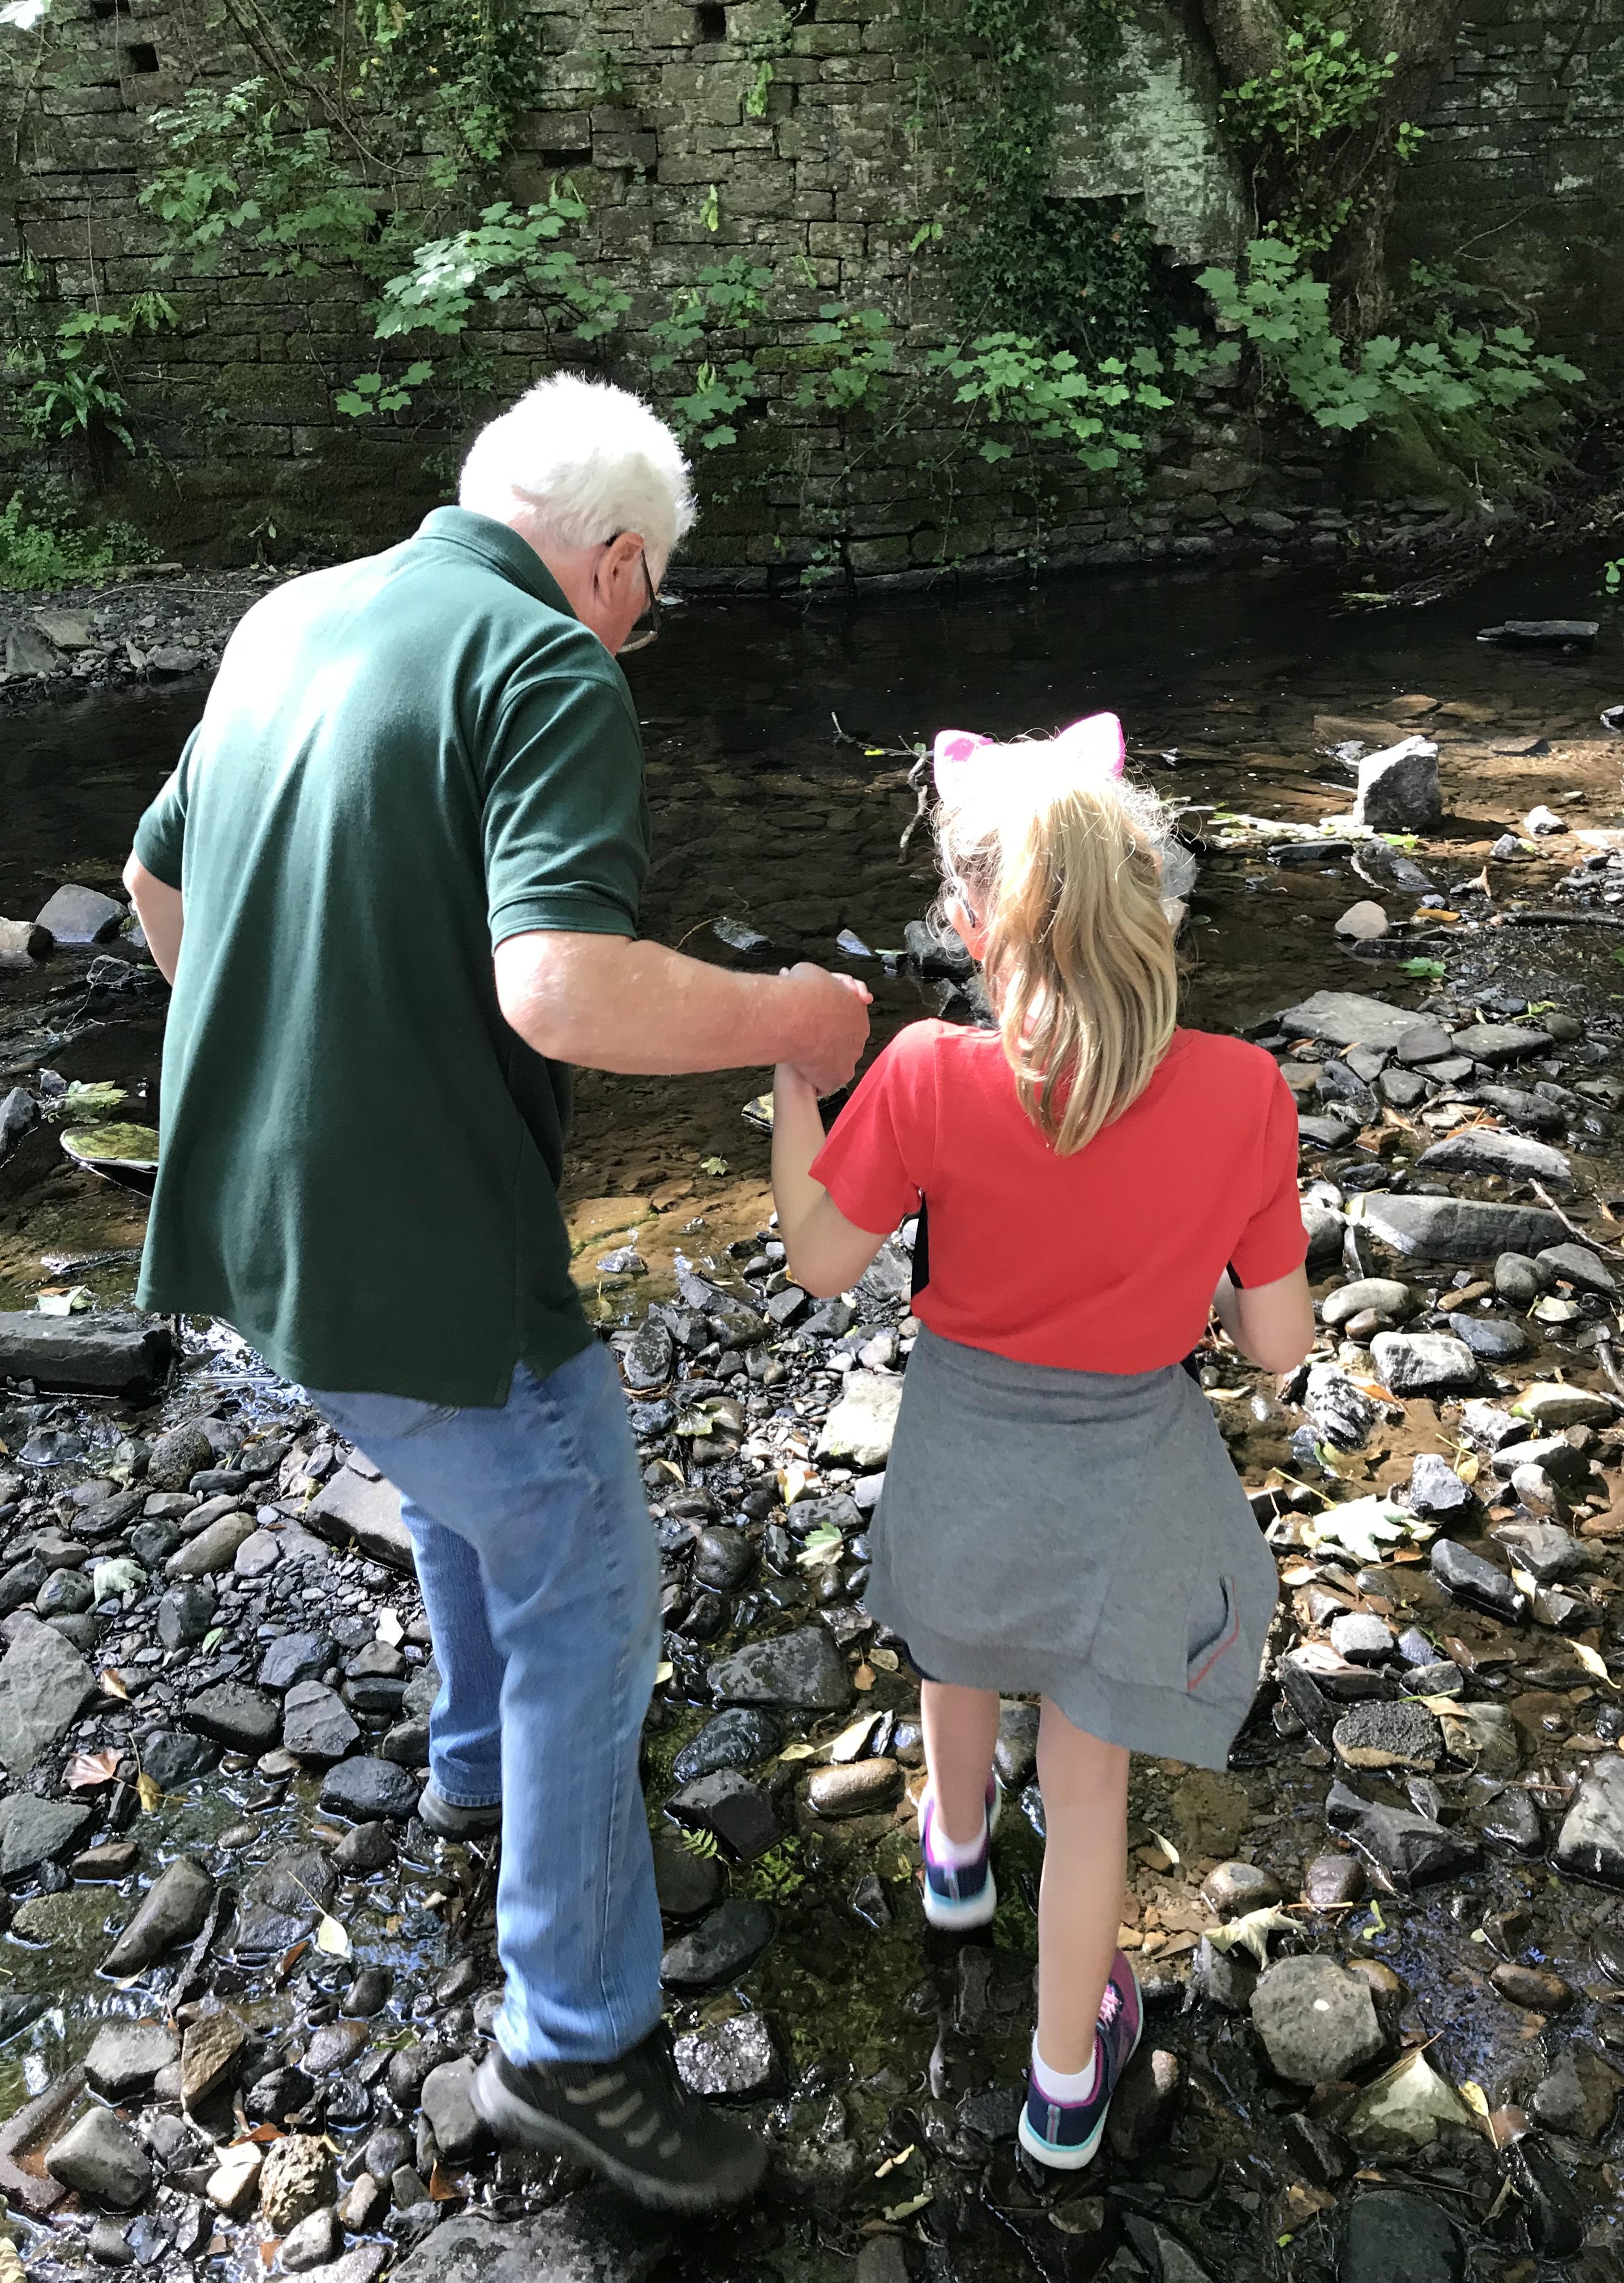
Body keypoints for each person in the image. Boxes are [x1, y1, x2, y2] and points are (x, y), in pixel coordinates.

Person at [122, 373, 871, 2213]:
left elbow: (153, 881)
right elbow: (560, 989)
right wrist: (792, 1016)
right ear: (614, 563)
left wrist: (281, 1052)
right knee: (589, 1573)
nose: (636, 634)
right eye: (648, 600)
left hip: (257, 1237)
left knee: (469, 1487)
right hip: (419, 1252)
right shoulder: (546, 667)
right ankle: (576, 2045)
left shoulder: (292, 616)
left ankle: (472, 1766)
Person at [768, 712, 1313, 2173]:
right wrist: (1212, 1269)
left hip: (961, 1453)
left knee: (956, 1645)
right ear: (1155, 905)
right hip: (1127, 1487)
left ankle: (953, 1856)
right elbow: (1276, 1342)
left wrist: (792, 1092)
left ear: (970, 924)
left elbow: (819, 1257)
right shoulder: (1246, 1092)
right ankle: (1066, 2087)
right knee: (1087, 1802)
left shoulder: (928, 1073)